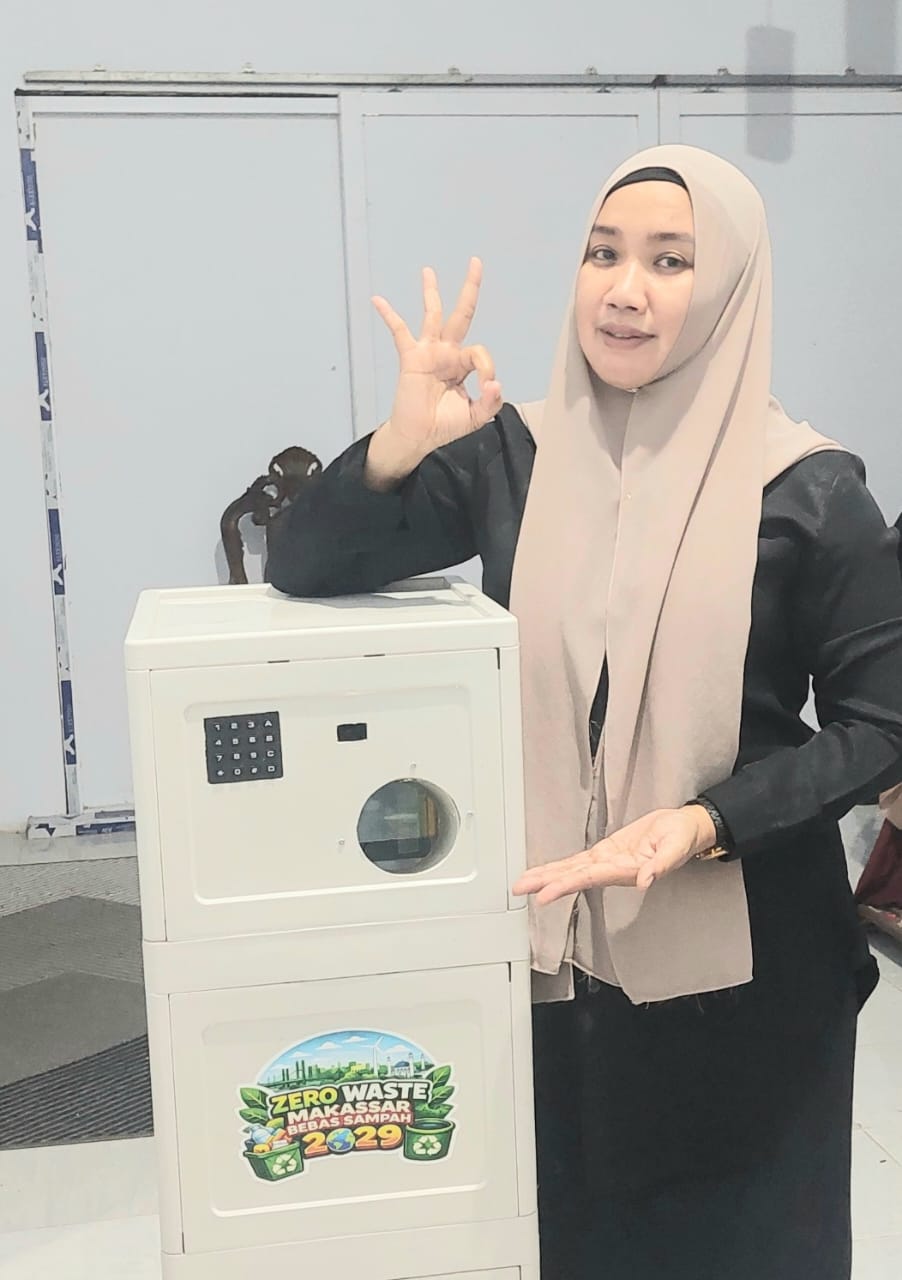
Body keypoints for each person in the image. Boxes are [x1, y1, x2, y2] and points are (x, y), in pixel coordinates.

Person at [266, 145, 902, 1280]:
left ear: (728, 289)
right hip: (555, 964)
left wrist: (704, 822)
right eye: (603, 254)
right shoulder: (516, 456)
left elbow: (881, 724)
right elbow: (308, 562)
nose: (624, 289)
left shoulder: (809, 490)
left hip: (749, 974)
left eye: (670, 261)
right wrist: (403, 442)